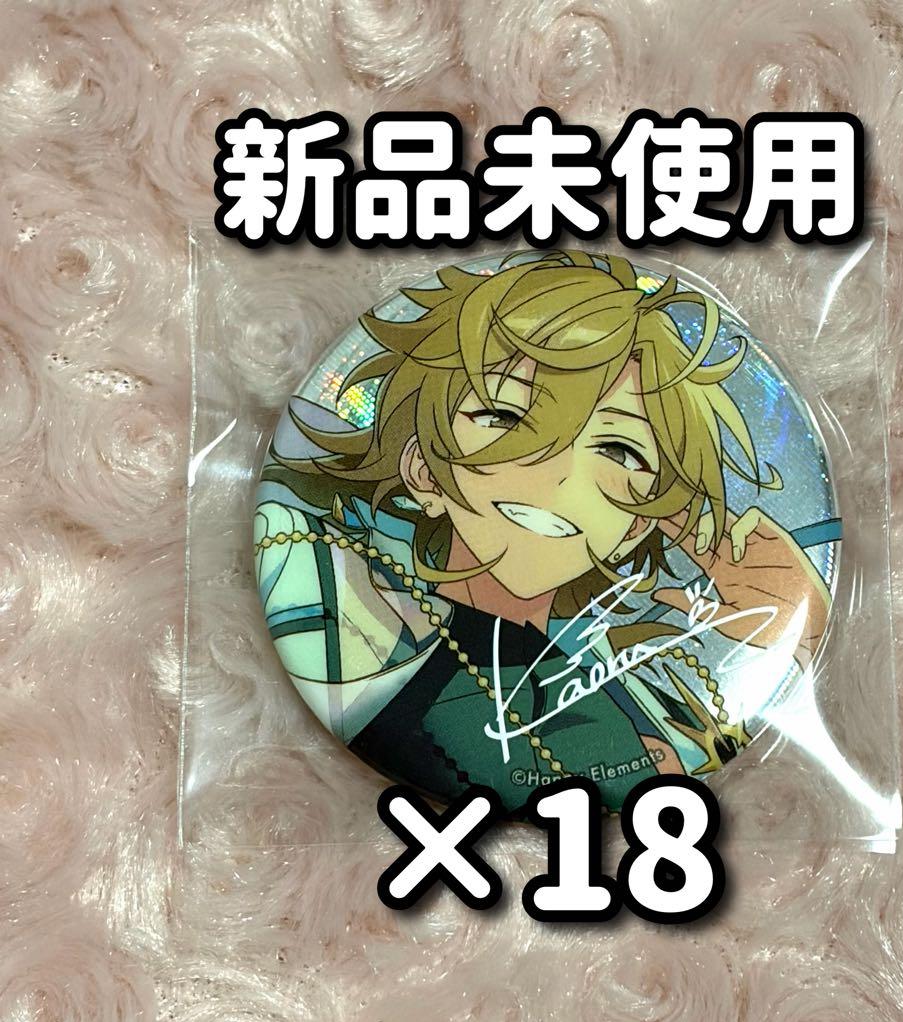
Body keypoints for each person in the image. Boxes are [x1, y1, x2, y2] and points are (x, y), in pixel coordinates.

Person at [254, 250, 832, 814]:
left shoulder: (638, 701)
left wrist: (795, 636)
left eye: (618, 449)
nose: (555, 475)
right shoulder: (340, 593)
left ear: (638, 525)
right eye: (504, 416)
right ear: (424, 468)